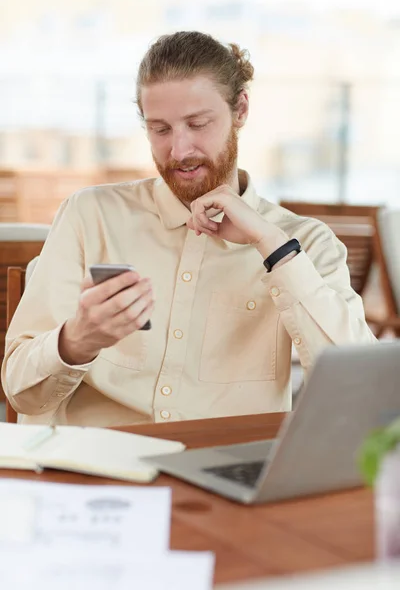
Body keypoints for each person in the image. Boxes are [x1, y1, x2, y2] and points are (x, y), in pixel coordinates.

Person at [2, 31, 376, 426]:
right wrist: (79, 339)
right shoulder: (90, 215)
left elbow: (362, 392)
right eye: (160, 129)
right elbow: (21, 393)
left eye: (197, 124)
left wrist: (273, 247)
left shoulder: (307, 244)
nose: (179, 151)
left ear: (241, 110)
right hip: (99, 465)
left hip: (224, 473)